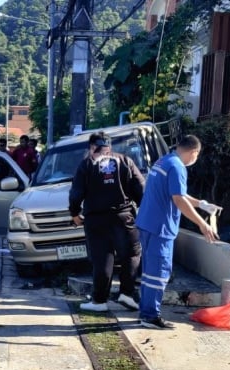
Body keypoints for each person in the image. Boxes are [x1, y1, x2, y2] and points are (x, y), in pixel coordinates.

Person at [135, 135, 219, 329]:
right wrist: (202, 224)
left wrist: (202, 205)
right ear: (194, 152)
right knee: (159, 273)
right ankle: (150, 316)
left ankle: (145, 312)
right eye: (196, 156)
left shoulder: (164, 161)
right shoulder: (177, 167)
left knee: (149, 273)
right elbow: (178, 200)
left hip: (148, 224)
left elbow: (178, 193)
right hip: (160, 228)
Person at [70, 132, 145, 313]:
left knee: (101, 259)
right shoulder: (126, 161)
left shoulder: (87, 163)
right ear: (109, 146)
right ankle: (127, 293)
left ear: (91, 146)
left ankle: (99, 301)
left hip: (95, 220)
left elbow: (76, 193)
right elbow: (141, 188)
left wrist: (74, 213)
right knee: (131, 255)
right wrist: (142, 210)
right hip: (123, 217)